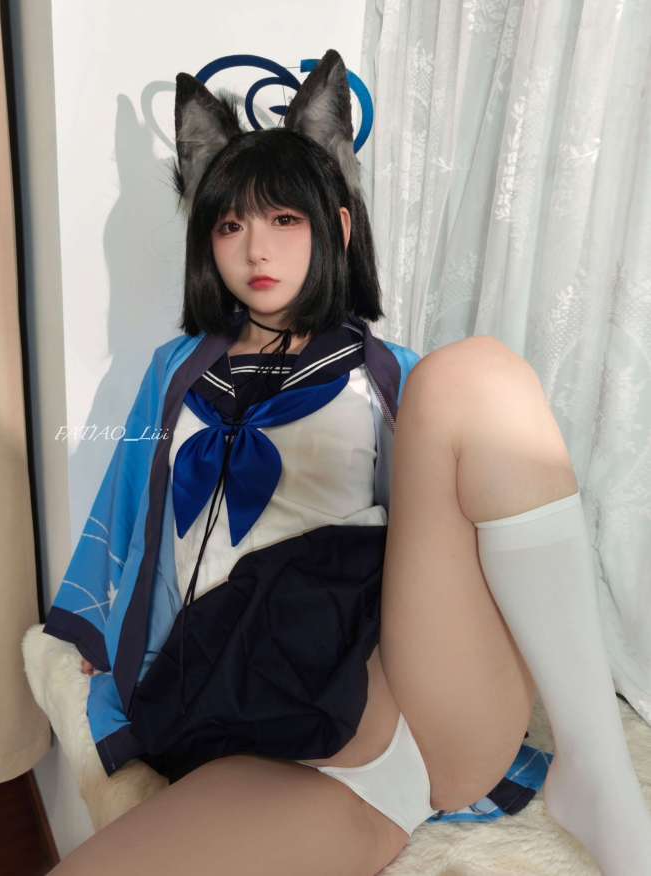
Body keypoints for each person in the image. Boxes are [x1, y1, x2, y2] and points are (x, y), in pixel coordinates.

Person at [47, 50, 651, 875]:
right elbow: (129, 511)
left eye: (284, 219)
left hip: (412, 697)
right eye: (230, 225)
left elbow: (457, 541)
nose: (256, 248)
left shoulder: (388, 375)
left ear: (335, 225)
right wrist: (96, 626)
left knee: (472, 375)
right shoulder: (174, 372)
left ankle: (599, 772)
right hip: (266, 734)